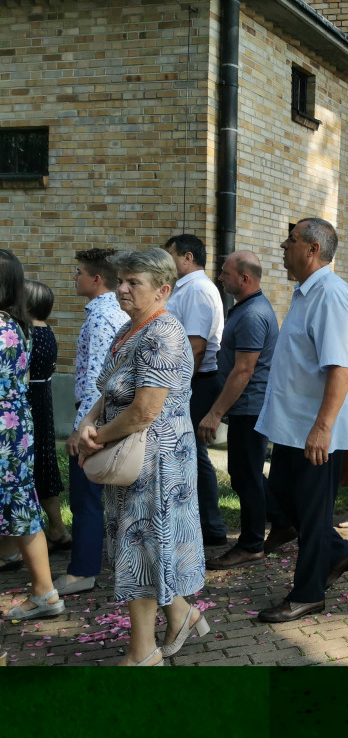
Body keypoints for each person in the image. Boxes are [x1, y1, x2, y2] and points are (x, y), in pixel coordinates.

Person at [72, 248, 206, 664]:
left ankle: (142, 652)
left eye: (134, 282)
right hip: (132, 455)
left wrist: (98, 438)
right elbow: (107, 388)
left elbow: (146, 410)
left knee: (141, 550)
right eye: (122, 280)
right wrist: (87, 424)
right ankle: (181, 613)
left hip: (156, 462)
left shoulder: (163, 333)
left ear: (163, 290)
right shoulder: (129, 330)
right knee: (143, 546)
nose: (122, 288)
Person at [255, 218, 348, 623]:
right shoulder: (305, 292)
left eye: (292, 240)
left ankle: (308, 593)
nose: (284, 245)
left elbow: (341, 366)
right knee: (282, 499)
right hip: (291, 425)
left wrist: (323, 427)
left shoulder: (331, 295)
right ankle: (337, 553)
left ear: (313, 249)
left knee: (312, 513)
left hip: (315, 430)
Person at [199, 251, 286, 569]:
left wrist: (215, 413)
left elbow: (243, 371)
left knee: (245, 476)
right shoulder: (246, 308)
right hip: (247, 407)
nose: (220, 277)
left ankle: (251, 544)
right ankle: (284, 519)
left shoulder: (252, 315)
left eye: (225, 272)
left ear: (244, 278)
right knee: (245, 473)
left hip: (250, 408)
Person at [52, 248, 130, 594]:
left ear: (96, 279)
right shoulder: (117, 312)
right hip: (113, 417)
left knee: (86, 498)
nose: (74, 278)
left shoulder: (100, 317)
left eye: (79, 272)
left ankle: (83, 570)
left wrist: (80, 428)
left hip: (97, 421)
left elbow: (96, 379)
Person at [0, 250, 64, 620]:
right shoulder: (17, 325)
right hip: (15, 429)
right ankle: (45, 593)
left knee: (19, 505)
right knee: (21, 505)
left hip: (4, 432)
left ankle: (45, 593)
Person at [163, 233, 226, 547]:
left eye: (170, 255)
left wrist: (179, 388)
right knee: (188, 452)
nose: (167, 262)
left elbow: (196, 347)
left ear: (187, 257)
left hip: (196, 382)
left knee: (194, 453)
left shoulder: (198, 289)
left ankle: (210, 526)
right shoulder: (188, 288)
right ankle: (200, 522)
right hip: (190, 381)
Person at [26, 281, 68, 548]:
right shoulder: (47, 331)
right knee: (44, 464)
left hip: (28, 401)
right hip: (43, 400)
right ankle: (58, 528)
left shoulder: (27, 333)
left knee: (32, 467)